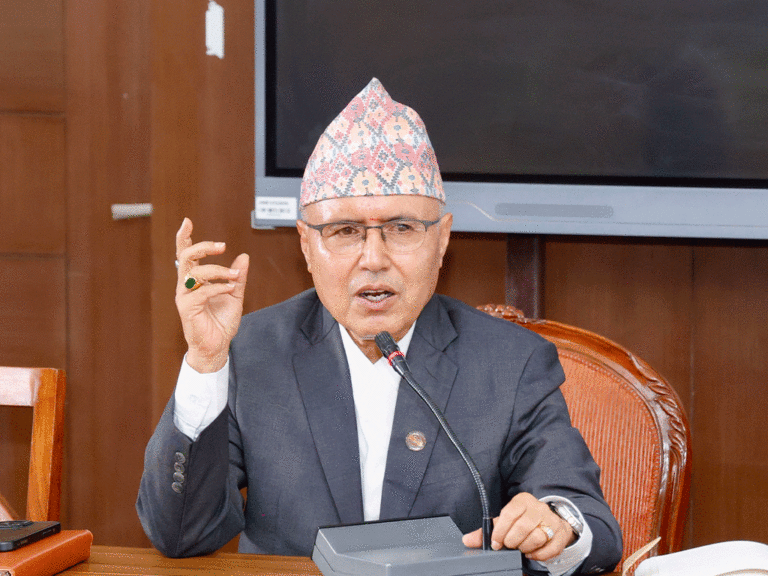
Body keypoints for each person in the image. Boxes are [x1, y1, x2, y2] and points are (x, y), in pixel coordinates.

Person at [136, 78, 622, 576]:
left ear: (442, 240)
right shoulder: (251, 351)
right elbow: (181, 535)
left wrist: (555, 526)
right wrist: (206, 364)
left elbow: (590, 525)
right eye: (345, 231)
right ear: (306, 246)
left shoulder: (510, 361)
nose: (373, 259)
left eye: (401, 229)